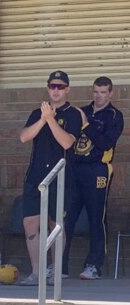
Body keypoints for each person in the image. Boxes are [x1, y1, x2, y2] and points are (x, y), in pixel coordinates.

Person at [19, 71, 82, 286]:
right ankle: (37, 272)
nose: (56, 90)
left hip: (60, 176)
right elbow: (24, 137)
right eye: (52, 86)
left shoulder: (74, 113)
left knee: (56, 225)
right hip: (35, 176)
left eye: (60, 87)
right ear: (48, 88)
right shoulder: (39, 112)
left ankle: (55, 272)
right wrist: (43, 118)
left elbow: (67, 142)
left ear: (67, 89)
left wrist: (51, 121)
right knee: (30, 223)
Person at [62, 76, 124, 280]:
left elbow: (105, 143)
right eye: (96, 91)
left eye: (103, 92)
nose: (99, 96)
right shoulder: (82, 111)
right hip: (74, 168)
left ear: (110, 93)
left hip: (98, 170)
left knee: (96, 217)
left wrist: (86, 125)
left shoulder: (115, 116)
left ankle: (93, 265)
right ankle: (60, 266)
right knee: (65, 217)